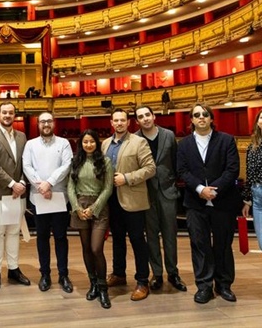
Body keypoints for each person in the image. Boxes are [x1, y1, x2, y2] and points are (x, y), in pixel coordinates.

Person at [178, 103, 240, 304]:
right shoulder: (184, 144)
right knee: (200, 245)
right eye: (197, 115)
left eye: (205, 114)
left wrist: (214, 190)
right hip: (195, 202)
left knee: (223, 245)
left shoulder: (226, 140)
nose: (201, 117)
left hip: (222, 201)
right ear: (192, 120)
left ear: (211, 118)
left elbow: (232, 170)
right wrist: (200, 189)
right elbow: (182, 171)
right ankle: (204, 286)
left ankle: (223, 285)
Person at [102, 108, 156, 301]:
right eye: (115, 120)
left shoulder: (139, 142)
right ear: (111, 123)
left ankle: (142, 281)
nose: (119, 123)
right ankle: (118, 274)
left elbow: (150, 169)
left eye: (122, 120)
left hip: (133, 199)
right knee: (117, 240)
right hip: (112, 200)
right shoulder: (105, 144)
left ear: (128, 122)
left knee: (137, 241)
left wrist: (127, 178)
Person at [134, 106, 187, 292]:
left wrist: (171, 183)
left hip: (167, 191)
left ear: (154, 116)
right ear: (137, 121)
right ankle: (156, 274)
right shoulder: (134, 139)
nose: (145, 119)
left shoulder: (169, 135)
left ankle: (173, 273)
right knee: (151, 237)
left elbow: (174, 162)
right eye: (141, 117)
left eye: (147, 115)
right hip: (145, 193)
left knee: (170, 236)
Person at [0, 101, 29, 292]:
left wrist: (23, 183)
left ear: (14, 115)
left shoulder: (22, 136)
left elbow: (27, 163)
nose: (8, 115)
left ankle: (13, 269)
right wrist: (12, 184)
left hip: (18, 194)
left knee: (13, 232)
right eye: (4, 113)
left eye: (11, 113)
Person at [22, 112, 73, 293]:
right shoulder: (30, 144)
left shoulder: (64, 143)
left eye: (49, 121)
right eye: (42, 121)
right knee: (42, 237)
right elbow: (27, 167)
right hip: (39, 197)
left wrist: (49, 182)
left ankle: (63, 274)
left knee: (61, 237)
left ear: (53, 123)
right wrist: (42, 186)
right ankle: (45, 274)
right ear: (38, 124)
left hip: (59, 197)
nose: (46, 124)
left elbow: (66, 165)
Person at [68, 129, 114, 308]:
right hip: (79, 205)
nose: (88, 145)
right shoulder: (76, 161)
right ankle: (93, 283)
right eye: (85, 142)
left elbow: (108, 188)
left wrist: (93, 208)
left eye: (92, 141)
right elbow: (70, 187)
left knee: (96, 248)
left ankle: (103, 288)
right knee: (86, 248)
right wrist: (77, 208)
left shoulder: (106, 161)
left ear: (97, 143)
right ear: (81, 144)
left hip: (99, 208)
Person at [242, 109, 262, 250]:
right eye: (261, 118)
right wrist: (247, 201)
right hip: (257, 195)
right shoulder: (252, 146)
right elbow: (249, 174)